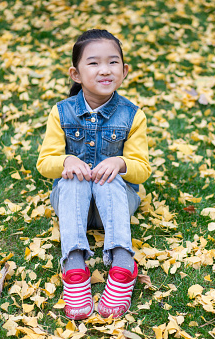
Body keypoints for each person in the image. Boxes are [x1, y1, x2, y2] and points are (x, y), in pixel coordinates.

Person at [36, 29, 151, 320]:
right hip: (74, 206)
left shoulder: (133, 115)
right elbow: (45, 163)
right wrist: (66, 160)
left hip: (115, 204)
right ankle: (74, 266)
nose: (104, 70)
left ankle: (123, 263)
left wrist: (121, 163)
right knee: (73, 179)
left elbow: (142, 169)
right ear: (76, 74)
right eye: (94, 63)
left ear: (124, 71)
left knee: (108, 177)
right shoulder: (60, 113)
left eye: (113, 63)